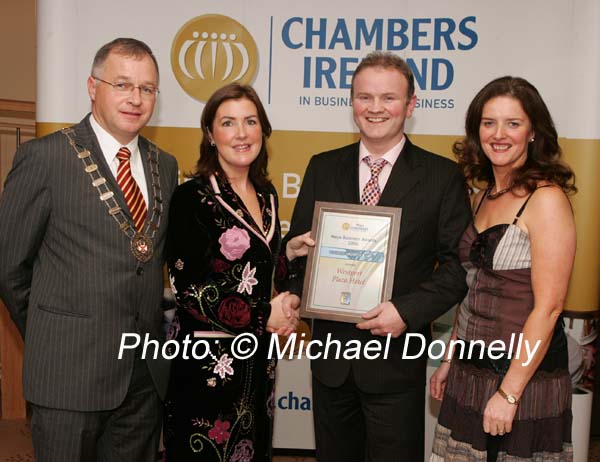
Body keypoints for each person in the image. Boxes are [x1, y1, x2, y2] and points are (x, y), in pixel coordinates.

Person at [279, 51, 472, 462]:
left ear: (411, 105)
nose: (375, 108)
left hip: (395, 361)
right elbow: (300, 252)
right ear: (351, 102)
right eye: (364, 97)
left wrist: (405, 311)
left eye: (388, 97)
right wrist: (296, 291)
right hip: (331, 362)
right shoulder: (322, 167)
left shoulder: (442, 177)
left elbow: (458, 269)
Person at [0, 38, 179, 461]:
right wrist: (54, 332)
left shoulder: (165, 165)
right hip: (67, 372)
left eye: (147, 88)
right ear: (92, 86)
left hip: (142, 379)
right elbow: (9, 268)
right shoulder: (44, 157)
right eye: (122, 84)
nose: (135, 98)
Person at [429, 76, 576, 462]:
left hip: (522, 375)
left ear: (532, 132)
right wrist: (449, 359)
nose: (499, 134)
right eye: (489, 122)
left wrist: (509, 393)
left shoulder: (546, 200)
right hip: (470, 369)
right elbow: (472, 286)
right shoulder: (480, 197)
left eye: (513, 123)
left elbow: (549, 307)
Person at [163, 83, 301, 462]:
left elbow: (255, 269)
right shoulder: (193, 198)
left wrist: (287, 253)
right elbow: (188, 287)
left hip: (258, 364)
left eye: (250, 121)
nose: (241, 133)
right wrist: (264, 315)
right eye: (228, 123)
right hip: (209, 365)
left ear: (263, 130)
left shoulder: (266, 193)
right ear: (210, 134)